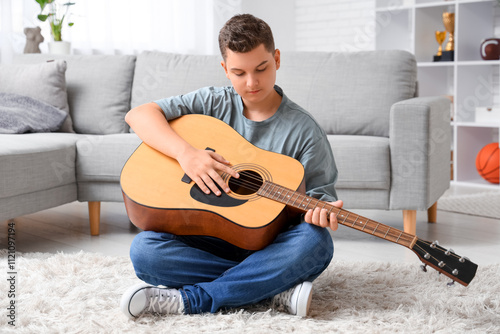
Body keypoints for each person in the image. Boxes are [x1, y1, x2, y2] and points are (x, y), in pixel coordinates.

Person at [120, 13, 342, 318]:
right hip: (207, 239)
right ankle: (271, 289)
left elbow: (320, 200)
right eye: (239, 73)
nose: (252, 82)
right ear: (225, 69)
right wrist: (186, 153)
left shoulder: (305, 131)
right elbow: (139, 115)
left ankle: (195, 299)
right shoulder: (212, 103)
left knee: (316, 243)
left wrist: (320, 213)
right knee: (144, 252)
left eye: (261, 68)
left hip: (269, 245)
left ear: (277, 59)